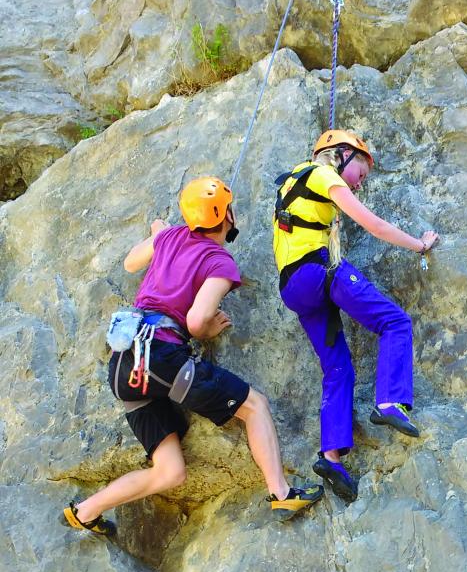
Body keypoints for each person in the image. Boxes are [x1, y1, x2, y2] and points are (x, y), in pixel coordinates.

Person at [63, 176, 323, 538]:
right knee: (254, 406)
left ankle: (85, 510)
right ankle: (282, 493)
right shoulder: (219, 262)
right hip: (160, 355)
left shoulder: (169, 237)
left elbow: (130, 262)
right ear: (227, 216)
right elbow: (198, 319)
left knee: (170, 472)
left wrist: (159, 232)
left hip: (124, 363)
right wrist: (208, 331)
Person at [273, 128, 439, 503]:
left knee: (338, 369)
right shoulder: (324, 175)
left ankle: (331, 457)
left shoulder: (292, 181)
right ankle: (389, 401)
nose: (360, 185)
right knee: (394, 322)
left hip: (294, 288)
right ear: (342, 154)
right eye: (360, 174)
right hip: (318, 272)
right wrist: (419, 245)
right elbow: (372, 224)